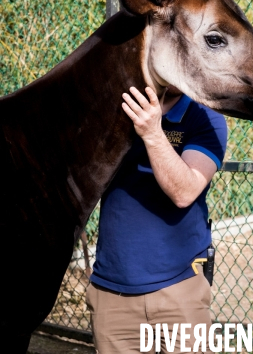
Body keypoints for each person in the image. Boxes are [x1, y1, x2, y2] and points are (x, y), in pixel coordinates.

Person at [86, 83, 228, 354]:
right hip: (112, 293)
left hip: (180, 289)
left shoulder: (205, 117)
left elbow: (184, 191)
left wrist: (152, 132)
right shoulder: (116, 107)